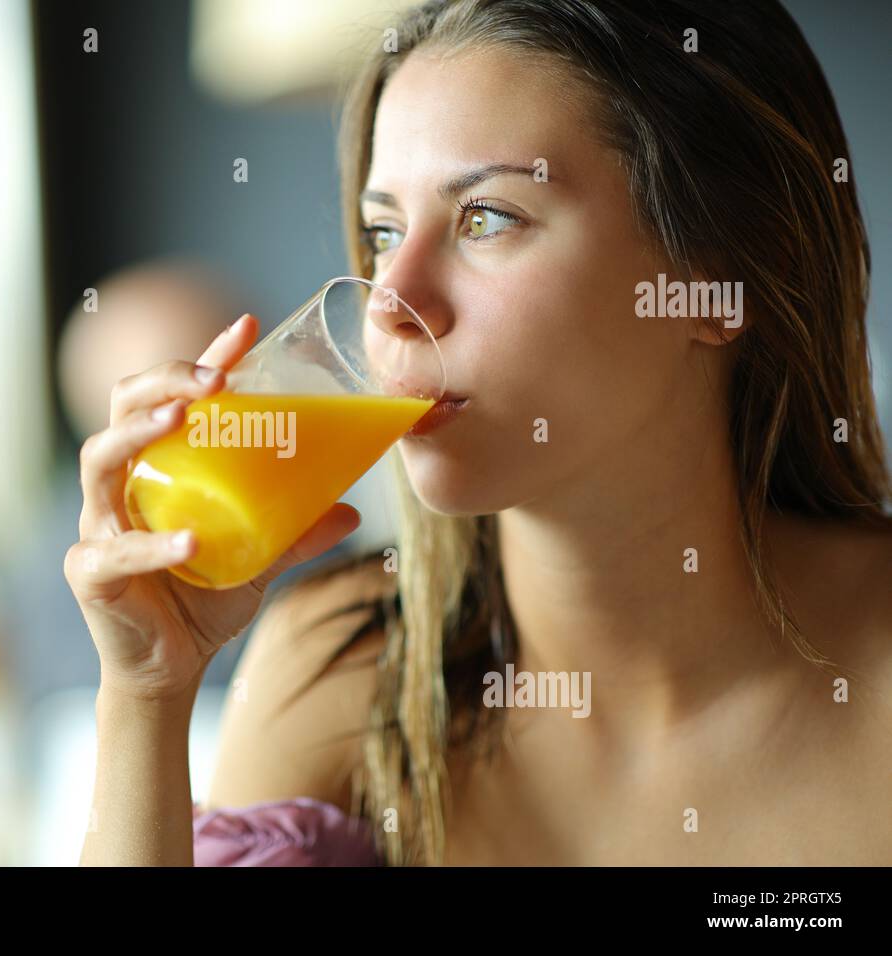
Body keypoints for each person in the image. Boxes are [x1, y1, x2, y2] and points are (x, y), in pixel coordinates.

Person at [68, 0, 892, 866]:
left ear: (718, 278)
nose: (393, 303)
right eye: (384, 231)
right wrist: (146, 697)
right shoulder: (339, 679)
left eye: (487, 218)